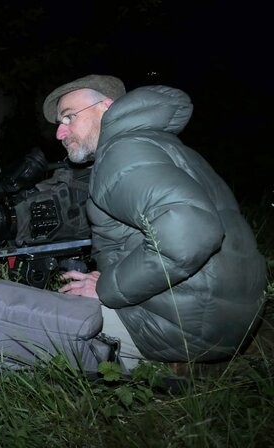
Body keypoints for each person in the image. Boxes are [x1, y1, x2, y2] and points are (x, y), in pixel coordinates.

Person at [43, 74, 267, 369]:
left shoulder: (121, 152)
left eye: (69, 117)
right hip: (227, 317)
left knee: (23, 319)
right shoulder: (157, 144)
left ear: (106, 108)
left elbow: (192, 234)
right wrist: (112, 279)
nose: (60, 133)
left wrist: (106, 290)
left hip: (187, 328)